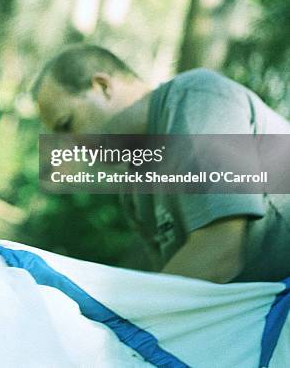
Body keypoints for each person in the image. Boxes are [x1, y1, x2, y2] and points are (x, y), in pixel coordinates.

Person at [33, 43, 290, 283]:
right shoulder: (134, 187)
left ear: (102, 86)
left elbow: (220, 252)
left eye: (67, 125)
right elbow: (171, 284)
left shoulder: (196, 100)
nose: (69, 145)